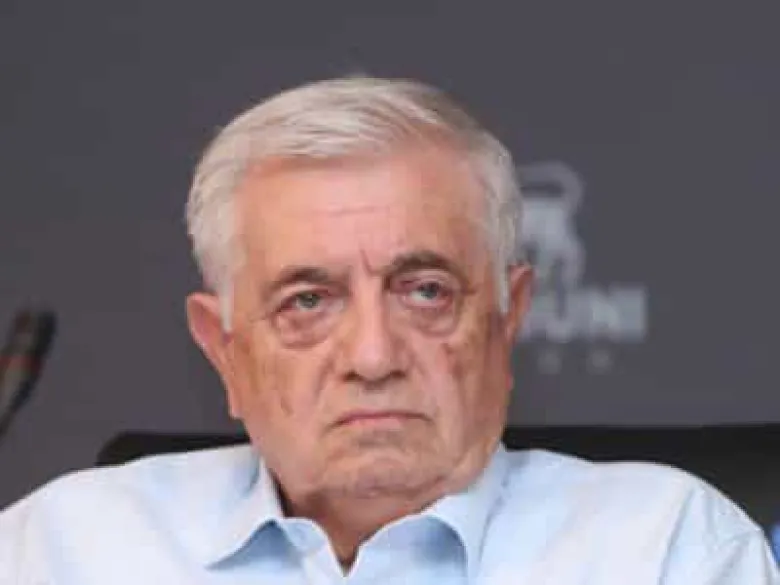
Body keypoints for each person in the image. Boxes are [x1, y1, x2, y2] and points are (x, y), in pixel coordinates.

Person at [0, 76, 777, 584]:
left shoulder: (665, 548)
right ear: (224, 347)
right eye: (308, 300)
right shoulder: (59, 551)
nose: (372, 356)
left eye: (425, 291)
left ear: (507, 318)